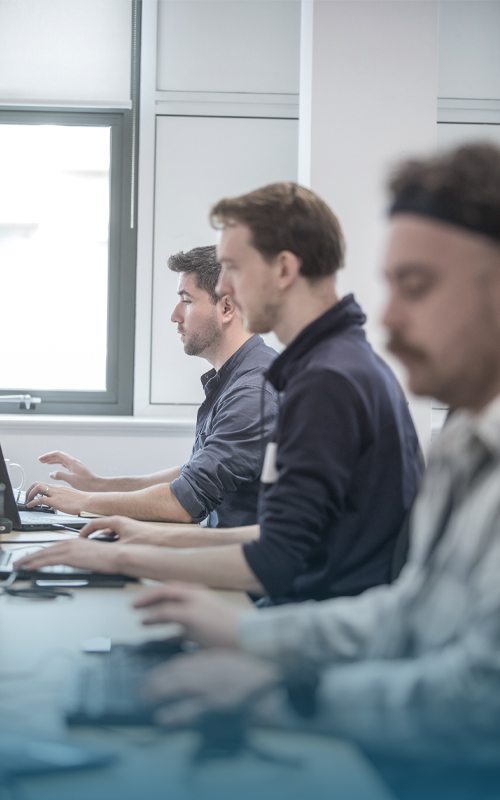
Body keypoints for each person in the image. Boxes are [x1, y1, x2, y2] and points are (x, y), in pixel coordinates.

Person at [88, 142, 500, 768]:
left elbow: (477, 701)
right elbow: (407, 612)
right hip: (364, 682)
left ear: (282, 268)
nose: (388, 318)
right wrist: (244, 635)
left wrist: (277, 689)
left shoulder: (327, 380)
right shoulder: (467, 443)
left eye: (415, 286)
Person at [18, 185, 420, 602]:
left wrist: (126, 557)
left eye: (233, 267)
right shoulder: (329, 363)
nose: (225, 284)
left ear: (282, 269)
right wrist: (150, 538)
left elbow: (277, 560)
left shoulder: (325, 381)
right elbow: (281, 535)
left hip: (308, 623)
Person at [26, 245, 278, 528]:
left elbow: (185, 501)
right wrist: (97, 485)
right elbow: (190, 475)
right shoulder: (240, 378)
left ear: (227, 307)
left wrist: (83, 502)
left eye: (187, 301)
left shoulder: (254, 391)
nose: (174, 315)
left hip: (237, 564)